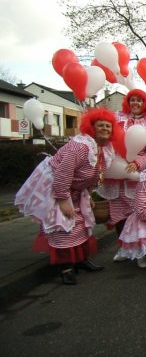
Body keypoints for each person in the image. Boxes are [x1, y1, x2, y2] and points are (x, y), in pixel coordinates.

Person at [15, 108, 125, 285]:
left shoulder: (105, 149)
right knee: (63, 226)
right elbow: (63, 173)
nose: (105, 128)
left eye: (108, 126)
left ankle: (80, 261)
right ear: (91, 127)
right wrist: (62, 199)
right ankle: (65, 268)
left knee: (82, 224)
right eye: (100, 125)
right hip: (56, 188)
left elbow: (95, 175)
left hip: (77, 191)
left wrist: (89, 195)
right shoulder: (80, 146)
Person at [98, 89, 146, 266]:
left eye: (139, 100)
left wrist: (138, 163)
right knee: (118, 215)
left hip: (138, 174)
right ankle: (124, 249)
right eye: (132, 100)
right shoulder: (117, 119)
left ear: (145, 103)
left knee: (138, 214)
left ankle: (141, 251)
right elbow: (107, 142)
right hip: (116, 173)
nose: (135, 103)